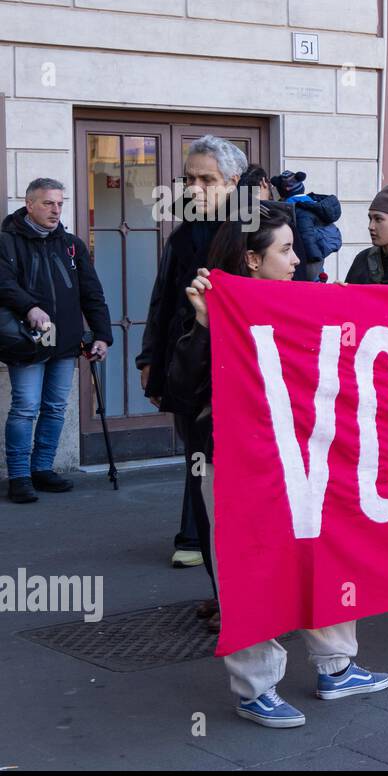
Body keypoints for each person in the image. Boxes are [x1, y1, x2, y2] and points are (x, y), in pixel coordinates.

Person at [174, 205, 388, 728]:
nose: (298, 260)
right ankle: (255, 687)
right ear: (252, 259)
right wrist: (205, 325)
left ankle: (336, 665)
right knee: (250, 565)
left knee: (328, 548)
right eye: (285, 251)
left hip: (305, 454)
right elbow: (181, 389)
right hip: (236, 460)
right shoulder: (213, 310)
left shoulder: (301, 302)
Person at [139, 134, 247, 567]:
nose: (194, 188)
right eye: (189, 179)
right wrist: (149, 359)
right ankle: (195, 538)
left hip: (239, 362)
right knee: (198, 451)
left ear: (233, 181)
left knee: (225, 456)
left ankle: (220, 550)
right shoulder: (183, 236)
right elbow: (162, 299)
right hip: (189, 359)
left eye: (206, 179)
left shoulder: (254, 230)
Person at [0, 178, 111, 503]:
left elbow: (92, 293)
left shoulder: (71, 244)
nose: (56, 209)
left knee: (55, 407)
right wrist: (30, 307)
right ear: (29, 204)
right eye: (48, 203)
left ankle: (42, 469)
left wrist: (102, 335)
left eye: (60, 203)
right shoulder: (7, 242)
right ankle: (19, 476)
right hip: (27, 338)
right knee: (25, 407)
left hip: (64, 339)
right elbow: (3, 284)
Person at [269, 169, 343, 284]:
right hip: (316, 252)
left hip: (310, 256)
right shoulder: (309, 203)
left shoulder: (300, 209)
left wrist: (313, 258)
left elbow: (306, 235)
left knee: (312, 283)